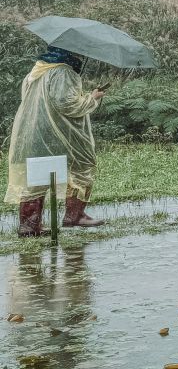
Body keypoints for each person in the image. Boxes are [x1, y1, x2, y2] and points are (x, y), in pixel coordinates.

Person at [5, 46, 107, 235]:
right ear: (70, 52)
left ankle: (29, 225)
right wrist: (92, 98)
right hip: (62, 133)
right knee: (83, 166)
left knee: (37, 176)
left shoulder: (37, 70)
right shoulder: (63, 72)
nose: (80, 55)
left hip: (34, 132)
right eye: (78, 52)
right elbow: (67, 104)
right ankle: (75, 216)